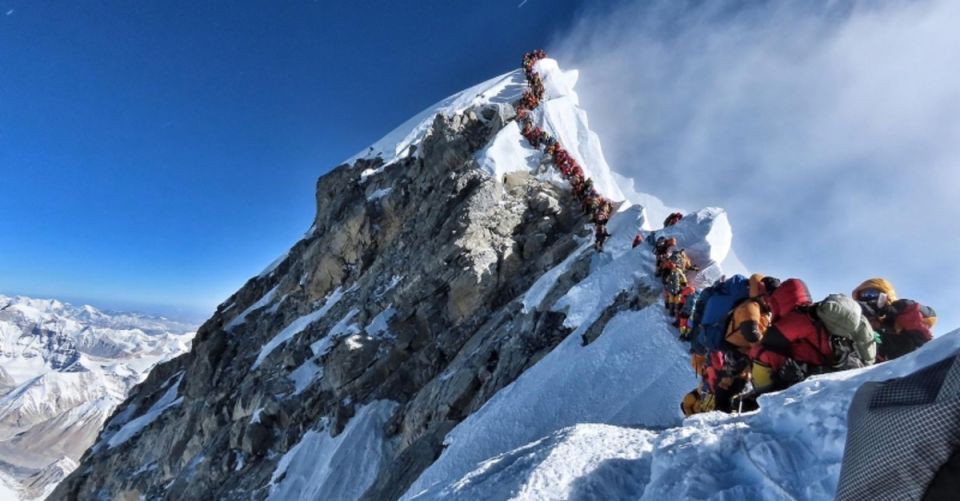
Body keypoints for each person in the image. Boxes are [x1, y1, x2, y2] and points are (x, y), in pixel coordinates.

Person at [853, 278, 936, 360]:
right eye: (862, 296)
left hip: (918, 359)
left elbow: (930, 316)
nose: (866, 298)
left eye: (870, 293)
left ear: (885, 295)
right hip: (880, 368)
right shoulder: (861, 324)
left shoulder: (900, 314)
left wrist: (904, 307)